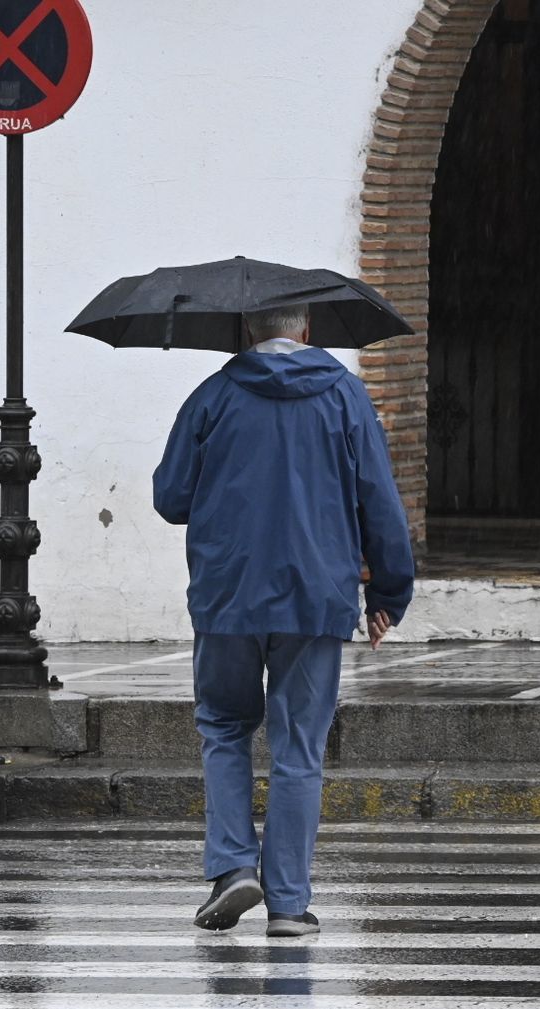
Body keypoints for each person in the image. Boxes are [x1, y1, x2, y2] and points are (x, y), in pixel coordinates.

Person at [153, 302, 414, 937]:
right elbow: (378, 499)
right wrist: (388, 594)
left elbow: (171, 498)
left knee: (223, 726)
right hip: (315, 595)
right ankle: (290, 906)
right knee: (299, 745)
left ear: (247, 330)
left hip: (227, 594)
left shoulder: (212, 396)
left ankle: (234, 866)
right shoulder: (346, 397)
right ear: (308, 331)